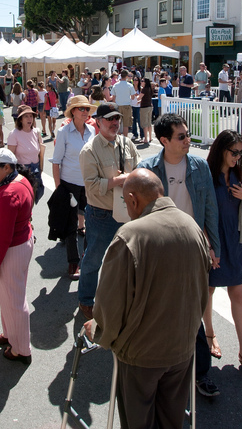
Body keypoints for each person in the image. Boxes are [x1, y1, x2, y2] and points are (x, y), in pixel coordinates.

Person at [88, 169, 210, 429]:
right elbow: (202, 289)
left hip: (141, 354)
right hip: (182, 348)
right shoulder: (192, 226)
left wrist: (101, 333)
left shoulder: (131, 235)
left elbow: (110, 303)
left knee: (138, 421)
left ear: (133, 199)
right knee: (172, 420)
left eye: (125, 202)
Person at [137, 113, 221, 396]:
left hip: (194, 248)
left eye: (187, 134)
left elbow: (210, 208)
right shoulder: (147, 169)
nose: (188, 140)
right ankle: (164, 372)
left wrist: (214, 247)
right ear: (164, 141)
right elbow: (139, 216)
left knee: (193, 311)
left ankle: (201, 373)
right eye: (181, 136)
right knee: (159, 311)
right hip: (160, 251)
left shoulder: (199, 166)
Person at [202, 130, 242, 373]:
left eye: (241, 153)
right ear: (221, 150)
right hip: (213, 241)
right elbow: (201, 212)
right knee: (208, 290)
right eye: (234, 152)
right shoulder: (207, 174)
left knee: (238, 295)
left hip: (236, 241)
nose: (237, 157)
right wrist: (208, 245)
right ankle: (209, 334)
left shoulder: (240, 174)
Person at [78, 102, 140, 319]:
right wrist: (120, 180)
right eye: (110, 119)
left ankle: (122, 299)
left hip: (129, 212)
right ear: (98, 122)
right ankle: (86, 299)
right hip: (101, 213)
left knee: (127, 259)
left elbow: (139, 170)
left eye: (117, 119)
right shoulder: (90, 150)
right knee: (94, 259)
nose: (115, 123)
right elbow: (92, 185)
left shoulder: (126, 143)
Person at [0, 148, 36, 364]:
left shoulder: (8, 192)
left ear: (7, 167)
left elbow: (4, 235)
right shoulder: (20, 180)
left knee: (14, 300)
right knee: (8, 296)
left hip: (11, 249)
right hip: (20, 244)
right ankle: (10, 334)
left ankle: (21, 349)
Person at [51, 95, 96, 280]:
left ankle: (87, 258)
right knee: (70, 226)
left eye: (87, 109)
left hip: (88, 183)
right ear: (73, 112)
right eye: (81, 109)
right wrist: (58, 188)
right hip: (69, 183)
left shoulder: (92, 130)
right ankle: (73, 261)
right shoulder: (63, 132)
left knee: (92, 222)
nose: (85, 112)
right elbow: (56, 162)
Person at [8, 105, 46, 203]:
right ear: (20, 119)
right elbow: (10, 156)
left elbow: (40, 152)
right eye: (26, 116)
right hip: (22, 170)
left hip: (36, 169)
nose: (30, 119)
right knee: (24, 198)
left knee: (35, 194)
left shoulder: (36, 132)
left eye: (31, 116)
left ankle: (28, 214)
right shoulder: (14, 134)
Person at [111, 70, 136, 136]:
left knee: (117, 123)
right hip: (127, 106)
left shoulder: (115, 85)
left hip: (118, 106)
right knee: (126, 124)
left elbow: (113, 98)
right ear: (127, 76)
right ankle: (125, 139)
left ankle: (118, 137)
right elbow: (133, 97)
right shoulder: (130, 85)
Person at [138, 79, 155, 144]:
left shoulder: (144, 89)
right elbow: (146, 98)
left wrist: (134, 97)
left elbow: (139, 97)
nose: (141, 82)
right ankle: (150, 137)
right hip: (149, 106)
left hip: (144, 107)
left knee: (144, 123)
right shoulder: (149, 88)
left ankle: (145, 139)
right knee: (149, 123)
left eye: (142, 81)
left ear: (145, 82)